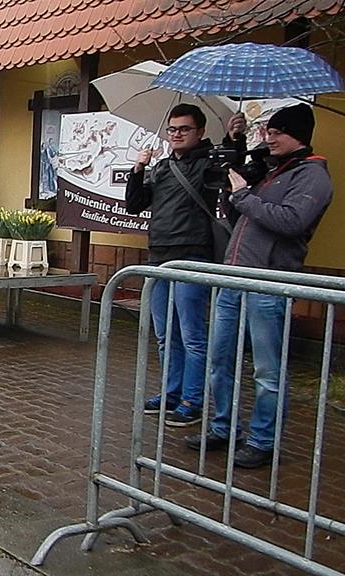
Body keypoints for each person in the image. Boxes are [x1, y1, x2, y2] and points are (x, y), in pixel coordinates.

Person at [187, 104, 333, 469]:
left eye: (277, 132)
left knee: (267, 370)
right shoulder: (270, 171)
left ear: (297, 134)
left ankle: (262, 440)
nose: (270, 138)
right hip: (234, 278)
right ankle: (224, 427)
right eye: (268, 131)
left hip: (269, 284)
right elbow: (239, 215)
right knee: (220, 360)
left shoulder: (312, 175)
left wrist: (244, 197)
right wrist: (234, 173)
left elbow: (292, 221)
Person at [124, 103, 234, 427]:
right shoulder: (161, 167)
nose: (176, 134)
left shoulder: (209, 164)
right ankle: (171, 393)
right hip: (159, 255)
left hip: (193, 255)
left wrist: (235, 138)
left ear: (200, 132)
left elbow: (230, 167)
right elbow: (134, 204)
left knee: (192, 335)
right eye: (172, 129)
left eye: (184, 129)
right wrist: (138, 169)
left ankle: (192, 401)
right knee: (165, 334)